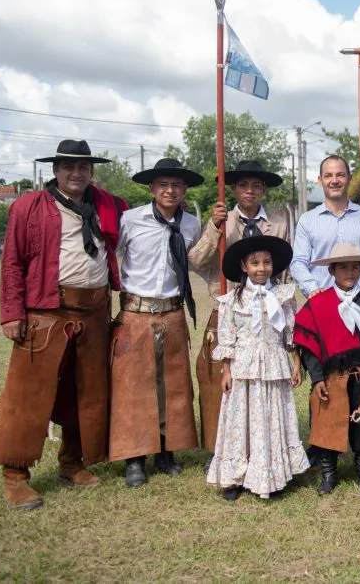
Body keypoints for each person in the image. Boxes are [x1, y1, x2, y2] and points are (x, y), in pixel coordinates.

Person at [0, 139, 126, 510]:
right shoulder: (29, 206)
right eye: (68, 166)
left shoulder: (108, 205)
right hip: (46, 312)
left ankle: (72, 461)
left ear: (91, 171)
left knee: (87, 392)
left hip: (95, 311)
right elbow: (12, 262)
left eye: (83, 166)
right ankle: (15, 476)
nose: (76, 172)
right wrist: (12, 312)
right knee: (28, 395)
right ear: (55, 170)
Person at [188, 160, 292, 470]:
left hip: (267, 316)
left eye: (257, 185)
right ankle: (223, 453)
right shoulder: (224, 220)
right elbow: (196, 261)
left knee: (264, 388)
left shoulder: (278, 222)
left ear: (263, 190)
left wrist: (284, 312)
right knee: (221, 384)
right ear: (233, 189)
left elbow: (284, 271)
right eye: (244, 184)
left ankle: (266, 453)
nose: (250, 190)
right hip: (231, 311)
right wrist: (213, 227)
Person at [109, 158, 203, 488]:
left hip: (173, 312)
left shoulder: (191, 225)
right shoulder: (130, 220)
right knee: (134, 387)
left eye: (177, 185)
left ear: (185, 189)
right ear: (151, 188)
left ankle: (166, 450)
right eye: (163, 184)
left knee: (172, 387)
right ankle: (135, 457)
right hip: (136, 313)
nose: (170, 190)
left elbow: (201, 264)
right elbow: (109, 257)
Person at [206, 235, 310, 500]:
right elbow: (227, 336)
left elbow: (290, 334)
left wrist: (296, 364)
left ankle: (273, 475)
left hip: (274, 363)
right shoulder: (233, 300)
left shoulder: (283, 296)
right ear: (244, 266)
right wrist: (226, 370)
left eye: (266, 262)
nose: (261, 268)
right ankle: (237, 477)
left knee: (272, 418)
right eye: (255, 263)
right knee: (243, 420)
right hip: (244, 366)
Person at [292, 243, 360, 497]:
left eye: (355, 267)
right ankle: (328, 474)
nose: (350, 272)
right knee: (328, 426)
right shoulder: (319, 304)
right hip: (331, 378)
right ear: (332, 270)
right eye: (344, 267)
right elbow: (310, 348)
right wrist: (316, 380)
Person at [289, 155, 360, 303]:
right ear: (320, 180)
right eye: (328, 176)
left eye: (340, 175)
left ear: (350, 178)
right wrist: (313, 290)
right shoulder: (307, 220)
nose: (334, 181)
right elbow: (298, 262)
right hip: (322, 303)